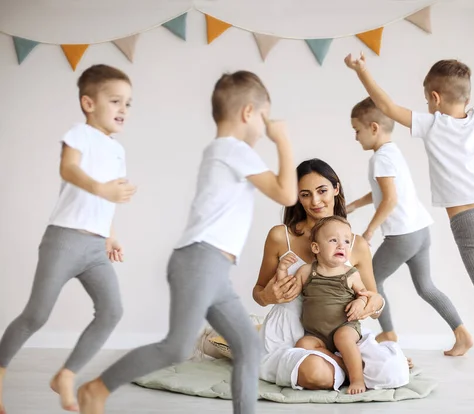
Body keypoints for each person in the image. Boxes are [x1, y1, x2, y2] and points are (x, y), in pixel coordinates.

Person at [344, 11, 474, 400]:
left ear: (434, 98)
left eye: (425, 98)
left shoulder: (431, 125)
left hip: (469, 223)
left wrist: (360, 71)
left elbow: (384, 103)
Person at [76, 70, 297, 414]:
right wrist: (283, 140)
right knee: (177, 347)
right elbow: (287, 193)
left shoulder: (221, 150)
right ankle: (97, 389)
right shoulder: (233, 149)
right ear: (248, 113)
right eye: (265, 118)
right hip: (201, 262)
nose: (266, 127)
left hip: (212, 268)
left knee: (248, 346)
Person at [0, 64, 136, 413]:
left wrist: (112, 236)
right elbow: (69, 169)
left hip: (95, 245)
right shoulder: (80, 134)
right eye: (115, 101)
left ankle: (66, 374)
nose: (123, 109)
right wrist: (100, 188)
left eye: (128, 103)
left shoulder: (118, 150)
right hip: (64, 239)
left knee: (111, 311)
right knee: (37, 314)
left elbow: (109, 199)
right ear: (89, 103)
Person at [254, 158, 397, 391]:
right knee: (315, 374)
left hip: (341, 332)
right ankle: (354, 368)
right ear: (297, 198)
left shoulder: (356, 244)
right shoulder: (281, 237)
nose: (315, 201)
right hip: (291, 335)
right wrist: (269, 296)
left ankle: (354, 366)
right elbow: (258, 292)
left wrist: (367, 304)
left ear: (336, 188)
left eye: (322, 191)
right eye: (305, 194)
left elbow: (375, 300)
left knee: (392, 371)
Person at [346, 97, 472, 356]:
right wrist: (356, 204)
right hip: (420, 231)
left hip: (402, 236)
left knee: (371, 281)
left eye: (357, 131)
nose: (355, 138)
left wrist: (369, 231)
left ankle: (388, 332)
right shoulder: (391, 152)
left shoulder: (380, 159)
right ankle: (462, 334)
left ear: (373, 128)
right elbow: (384, 192)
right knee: (426, 287)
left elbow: (390, 199)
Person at [277, 216, 372, 394]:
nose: (341, 245)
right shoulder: (307, 271)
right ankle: (341, 363)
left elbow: (365, 294)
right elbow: (287, 293)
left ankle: (357, 379)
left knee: (342, 338)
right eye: (333, 240)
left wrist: (360, 302)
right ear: (316, 247)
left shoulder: (350, 274)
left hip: (345, 326)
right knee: (302, 344)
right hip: (316, 334)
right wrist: (282, 270)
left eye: (346, 241)